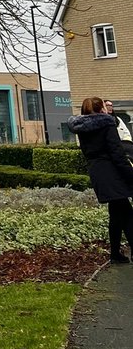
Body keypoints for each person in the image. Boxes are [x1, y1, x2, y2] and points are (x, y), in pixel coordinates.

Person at [68, 96, 133, 263]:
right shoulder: (107, 123)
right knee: (127, 214)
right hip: (113, 172)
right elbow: (117, 153)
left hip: (97, 172)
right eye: (104, 105)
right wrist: (130, 175)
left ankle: (115, 254)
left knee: (117, 213)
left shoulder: (82, 127)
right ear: (100, 108)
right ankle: (120, 253)